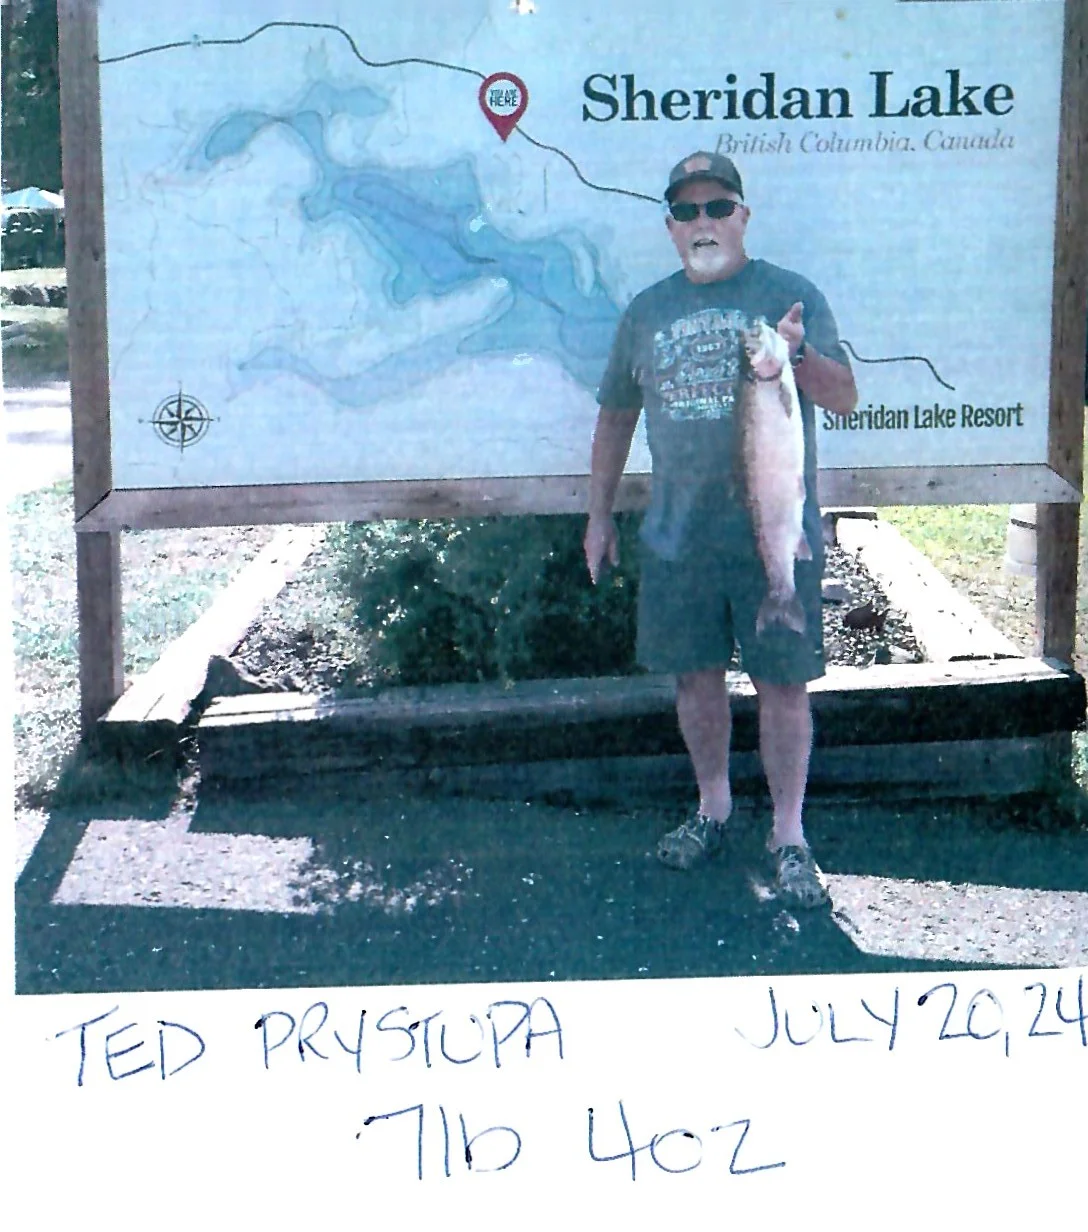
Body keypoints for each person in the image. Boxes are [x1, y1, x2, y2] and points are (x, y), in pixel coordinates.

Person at [584, 151, 858, 909]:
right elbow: (615, 417)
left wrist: (797, 353)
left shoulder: (789, 296)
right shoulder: (646, 311)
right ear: (671, 227)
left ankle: (789, 835)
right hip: (678, 538)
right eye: (686, 211)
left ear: (743, 215)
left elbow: (844, 397)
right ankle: (713, 809)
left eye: (716, 207)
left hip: (775, 534)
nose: (702, 222)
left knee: (784, 684)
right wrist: (599, 514)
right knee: (695, 681)